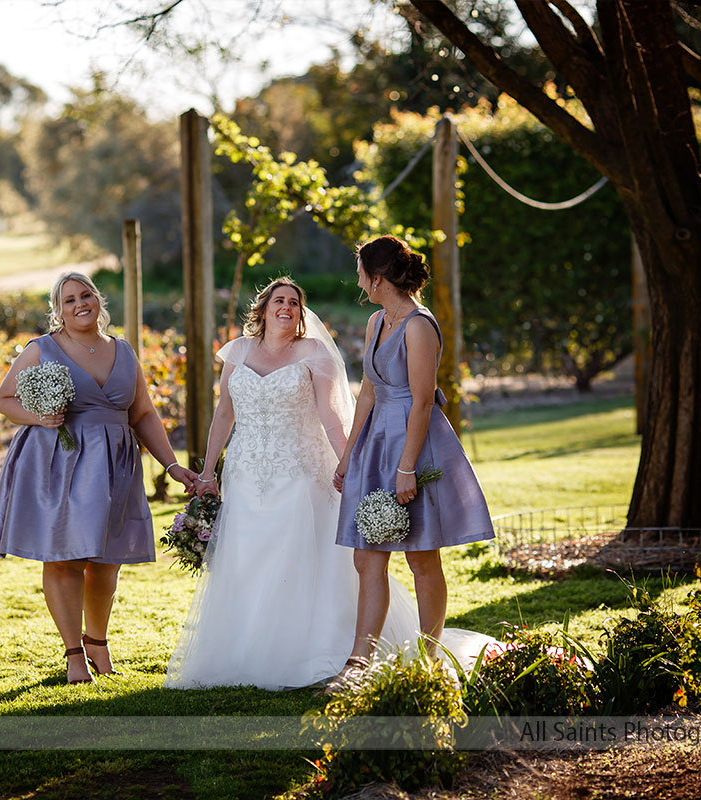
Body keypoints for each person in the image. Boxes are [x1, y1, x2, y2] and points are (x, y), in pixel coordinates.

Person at [164, 277, 421, 690]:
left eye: (295, 303)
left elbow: (331, 416)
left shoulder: (313, 352)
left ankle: (311, 650)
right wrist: (209, 472)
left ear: (301, 314)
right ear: (263, 309)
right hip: (246, 473)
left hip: (300, 473)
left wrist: (349, 465)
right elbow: (223, 415)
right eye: (279, 301)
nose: (287, 307)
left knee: (298, 559)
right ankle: (243, 653)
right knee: (247, 561)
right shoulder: (238, 351)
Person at [0, 272, 198, 684]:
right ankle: (73, 655)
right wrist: (40, 418)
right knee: (65, 558)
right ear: (58, 311)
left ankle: (98, 643)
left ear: (98, 301)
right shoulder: (41, 349)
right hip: (61, 464)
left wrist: (172, 465)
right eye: (69, 300)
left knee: (106, 561)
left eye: (86, 295)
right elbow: (4, 399)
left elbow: (143, 415)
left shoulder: (123, 351)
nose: (80, 304)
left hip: (116, 465)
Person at [333, 235, 496, 684]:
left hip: (413, 443)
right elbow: (367, 390)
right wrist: (348, 456)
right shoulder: (375, 321)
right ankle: (359, 663)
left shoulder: (419, 326)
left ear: (377, 277)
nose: (359, 281)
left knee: (422, 557)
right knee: (366, 557)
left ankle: (429, 660)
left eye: (362, 273)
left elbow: (423, 401)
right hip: (375, 442)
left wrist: (407, 467)